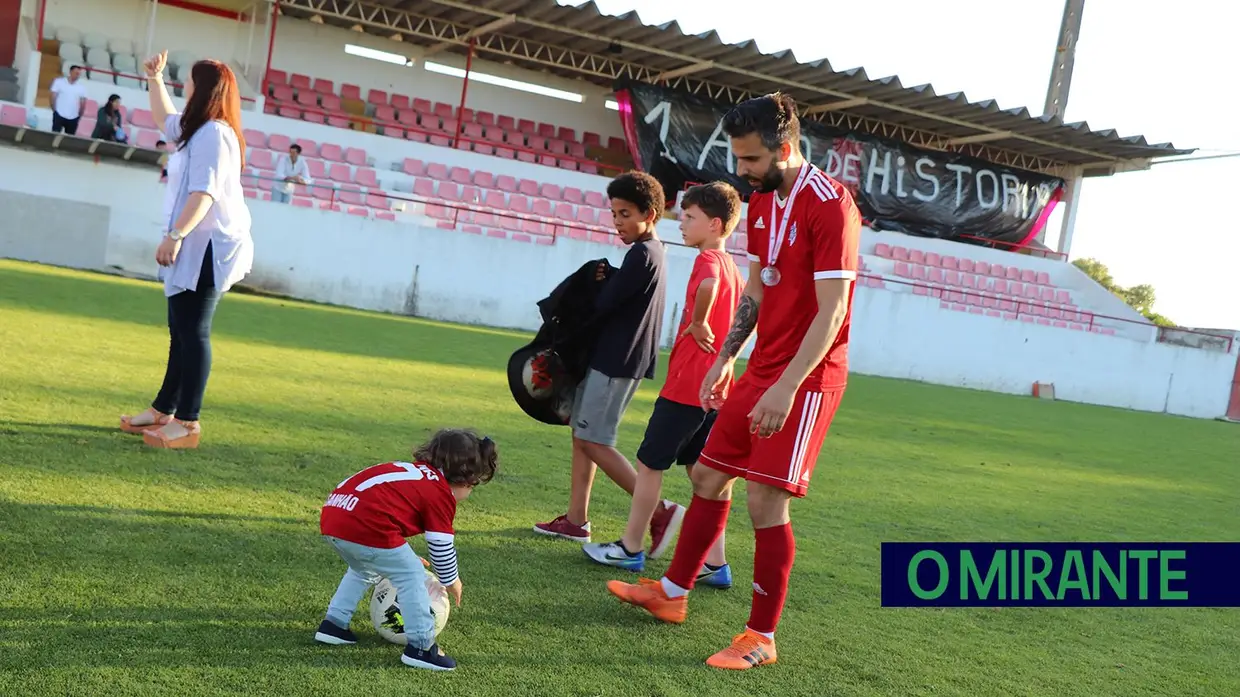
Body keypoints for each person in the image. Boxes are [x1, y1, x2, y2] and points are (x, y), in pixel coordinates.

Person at [606, 93, 861, 671]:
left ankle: (761, 637)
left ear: (784, 148)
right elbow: (758, 287)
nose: (740, 171)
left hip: (809, 375)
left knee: (765, 499)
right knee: (706, 472)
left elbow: (834, 310)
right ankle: (672, 594)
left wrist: (787, 386)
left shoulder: (830, 205)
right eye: (738, 158)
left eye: (749, 160)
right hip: (763, 364)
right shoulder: (766, 199)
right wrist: (728, 356)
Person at [582, 181, 744, 585]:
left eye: (689, 218)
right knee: (700, 472)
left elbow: (706, 287)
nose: (682, 224)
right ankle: (715, 564)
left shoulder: (709, 262)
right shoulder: (734, 268)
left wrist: (698, 321)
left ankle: (630, 548)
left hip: (688, 385)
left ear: (715, 224)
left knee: (650, 465)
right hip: (715, 389)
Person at [118, 51, 253, 449]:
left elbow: (205, 193)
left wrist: (175, 235)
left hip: (207, 245)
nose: (185, 86)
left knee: (193, 332)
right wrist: (155, 78)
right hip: (193, 242)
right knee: (180, 331)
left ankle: (188, 423)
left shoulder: (214, 133)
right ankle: (163, 410)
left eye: (189, 81)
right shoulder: (197, 129)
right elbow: (164, 118)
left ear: (204, 88)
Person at [533, 171, 668, 543]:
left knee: (595, 441)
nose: (618, 222)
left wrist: (599, 282)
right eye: (614, 214)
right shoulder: (648, 253)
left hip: (615, 363)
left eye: (626, 214)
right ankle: (576, 521)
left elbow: (607, 304)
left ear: (650, 213)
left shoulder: (644, 253)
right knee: (582, 435)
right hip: (616, 360)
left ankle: (660, 510)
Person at [315, 429, 499, 671]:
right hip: (364, 524)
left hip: (334, 515)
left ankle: (334, 624)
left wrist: (403, 555)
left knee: (364, 569)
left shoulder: (414, 473)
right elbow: (440, 544)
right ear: (466, 479)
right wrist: (451, 580)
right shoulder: (440, 492)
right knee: (410, 574)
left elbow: (385, 510)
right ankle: (421, 647)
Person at [49, 65, 87, 135]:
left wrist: (80, 114)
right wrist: (54, 110)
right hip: (59, 113)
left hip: (73, 116)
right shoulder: (59, 82)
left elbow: (83, 102)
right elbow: (53, 96)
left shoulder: (81, 87)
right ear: (70, 72)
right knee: (54, 136)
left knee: (70, 139)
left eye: (79, 74)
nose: (77, 75)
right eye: (76, 73)